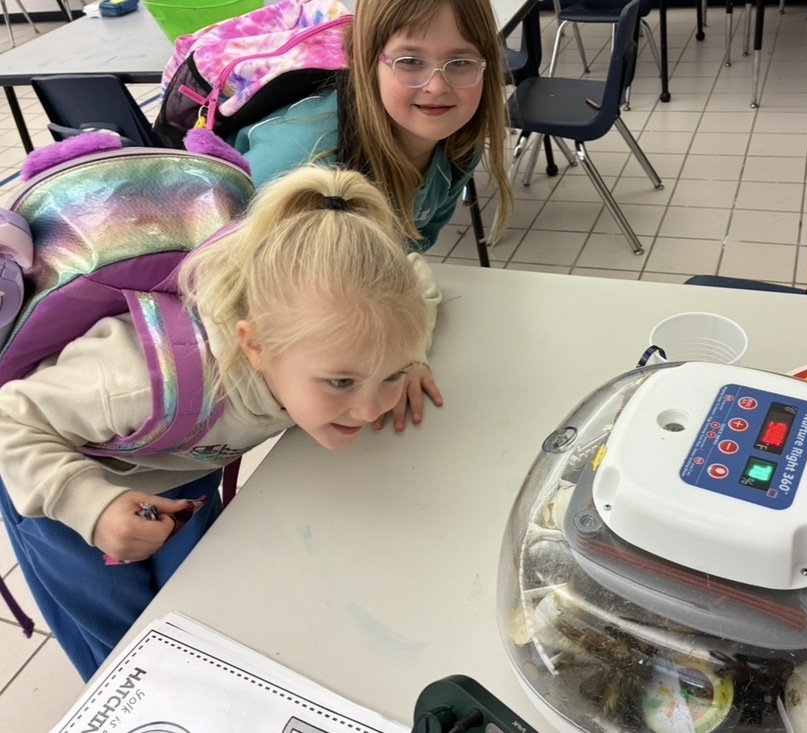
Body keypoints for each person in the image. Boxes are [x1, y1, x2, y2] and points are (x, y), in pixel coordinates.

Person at [0, 165, 442, 680]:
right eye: (341, 382)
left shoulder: (338, 331)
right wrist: (88, 505)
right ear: (254, 345)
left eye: (389, 376)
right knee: (125, 645)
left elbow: (417, 280)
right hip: (60, 479)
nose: (370, 410)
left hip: (183, 461)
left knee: (196, 616)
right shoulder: (137, 378)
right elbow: (11, 418)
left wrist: (411, 359)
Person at [230, 0, 514, 251]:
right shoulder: (299, 159)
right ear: (364, 59)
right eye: (410, 61)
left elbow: (412, 248)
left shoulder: (460, 147)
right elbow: (222, 270)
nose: (437, 86)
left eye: (460, 62)